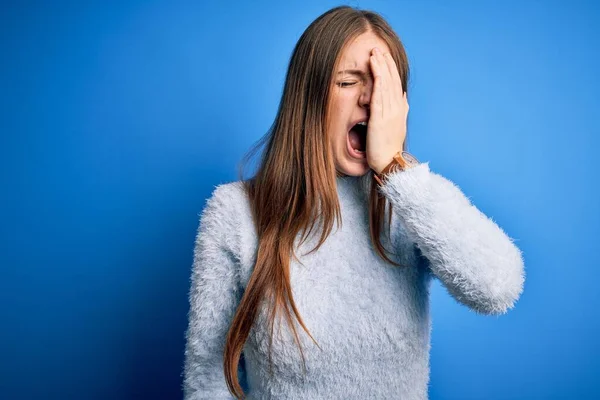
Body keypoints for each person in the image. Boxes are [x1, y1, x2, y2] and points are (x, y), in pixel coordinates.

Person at [182, 5, 525, 400]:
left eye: (383, 85)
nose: (369, 98)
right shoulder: (234, 214)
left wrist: (397, 173)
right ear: (308, 97)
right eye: (348, 82)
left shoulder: (413, 202)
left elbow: (498, 288)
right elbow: (207, 382)